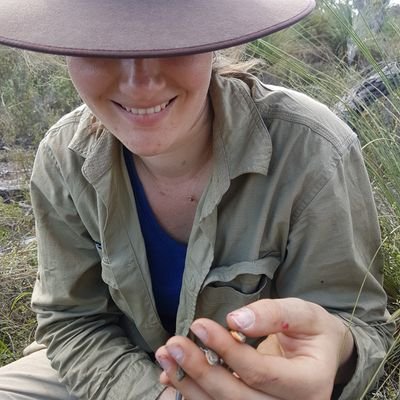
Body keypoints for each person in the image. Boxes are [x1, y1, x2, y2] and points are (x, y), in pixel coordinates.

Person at [0, 0, 394, 399]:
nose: (140, 83)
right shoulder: (62, 157)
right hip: (110, 368)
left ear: (214, 40)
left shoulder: (314, 150)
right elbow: (74, 322)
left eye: (172, 39)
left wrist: (335, 351)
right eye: (100, 46)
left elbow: (360, 325)